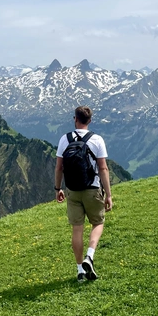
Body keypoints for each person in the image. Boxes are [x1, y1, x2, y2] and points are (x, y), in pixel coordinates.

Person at [55, 106, 112, 282]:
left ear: (75, 119)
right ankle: (90, 255)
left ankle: (80, 270)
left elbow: (59, 167)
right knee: (98, 222)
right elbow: (103, 168)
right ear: (90, 120)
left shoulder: (65, 139)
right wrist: (108, 194)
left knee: (77, 229)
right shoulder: (97, 139)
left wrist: (58, 189)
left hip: (73, 190)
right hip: (92, 189)